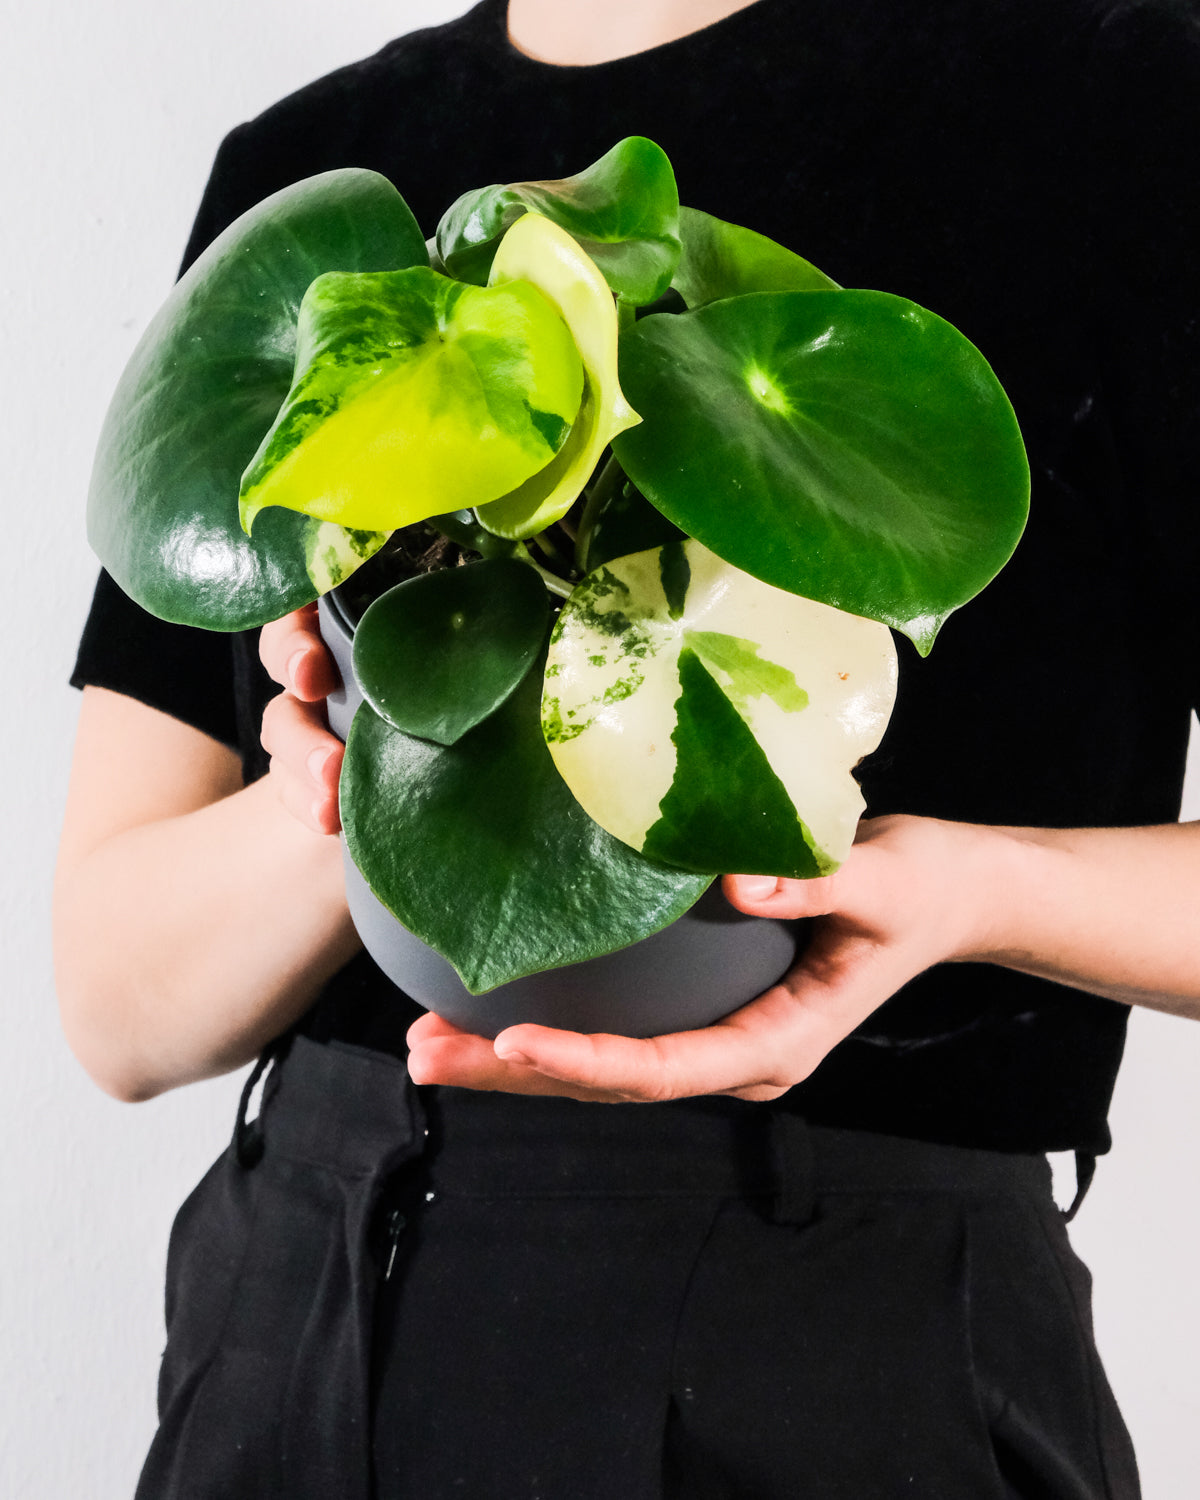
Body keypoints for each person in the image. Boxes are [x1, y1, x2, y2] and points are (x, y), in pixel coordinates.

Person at [54, 0, 1200, 1495]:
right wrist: (340, 769)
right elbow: (117, 1006)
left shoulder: (1117, 99)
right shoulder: (319, 171)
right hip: (304, 1312)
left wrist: (967, 892)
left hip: (834, 1330)